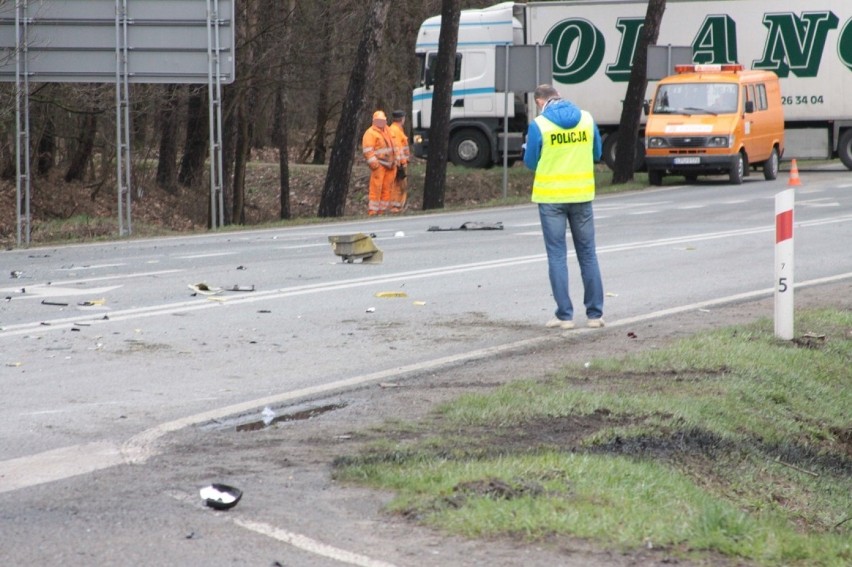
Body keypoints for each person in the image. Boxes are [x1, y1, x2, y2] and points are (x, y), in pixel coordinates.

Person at [523, 84, 605, 330]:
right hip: (581, 196)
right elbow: (597, 153)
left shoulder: (539, 125)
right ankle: (594, 315)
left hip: (551, 200)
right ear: (559, 96)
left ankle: (565, 316)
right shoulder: (587, 120)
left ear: (539, 102)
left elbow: (530, 162)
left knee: (557, 256)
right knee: (588, 254)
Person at [362, 110, 397, 216]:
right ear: (374, 121)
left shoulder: (388, 131)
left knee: (387, 188)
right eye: (379, 121)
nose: (381, 123)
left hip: (390, 165)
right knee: (376, 187)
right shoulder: (370, 133)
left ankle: (382, 210)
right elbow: (368, 150)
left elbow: (394, 146)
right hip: (379, 165)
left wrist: (396, 160)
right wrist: (374, 164)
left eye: (382, 121)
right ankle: (373, 211)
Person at [388, 110, 410, 213]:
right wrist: (401, 162)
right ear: (402, 119)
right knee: (399, 186)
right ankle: (397, 207)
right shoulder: (395, 131)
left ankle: (396, 206)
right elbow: (397, 148)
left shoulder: (395, 129)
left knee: (397, 186)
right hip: (400, 163)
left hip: (399, 162)